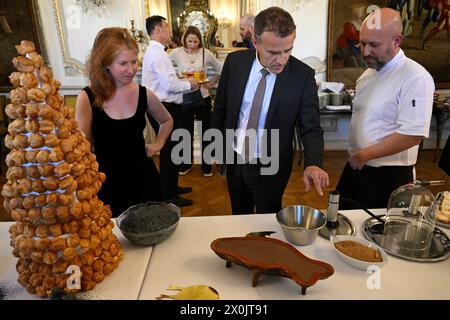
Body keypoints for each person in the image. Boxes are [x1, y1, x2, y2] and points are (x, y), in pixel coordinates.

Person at [212, 7, 329, 215]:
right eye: (274, 52)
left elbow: (310, 128)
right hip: (235, 158)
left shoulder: (302, 76)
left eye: (288, 50)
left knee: (267, 221)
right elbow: (221, 108)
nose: (282, 59)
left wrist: (313, 164)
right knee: (239, 215)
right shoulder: (235, 63)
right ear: (255, 42)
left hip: (271, 165)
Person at [336, 8, 435, 210]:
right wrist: (359, 157)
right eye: (362, 43)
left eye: (373, 45)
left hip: (388, 176)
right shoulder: (368, 74)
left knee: (377, 235)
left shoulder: (415, 77)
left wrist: (364, 155)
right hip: (357, 166)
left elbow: (412, 135)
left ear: (397, 41)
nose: (365, 51)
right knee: (341, 223)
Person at [75, 27, 173, 217]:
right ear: (105, 64)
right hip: (106, 183)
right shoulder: (87, 97)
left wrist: (158, 144)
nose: (132, 69)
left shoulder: (143, 93)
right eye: (123, 63)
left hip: (144, 179)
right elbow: (82, 149)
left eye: (134, 62)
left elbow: (167, 120)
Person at [142, 15, 199, 207]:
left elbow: (166, 81)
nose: (169, 30)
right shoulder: (157, 53)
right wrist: (190, 84)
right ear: (158, 30)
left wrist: (181, 81)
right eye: (166, 27)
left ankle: (172, 187)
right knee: (169, 151)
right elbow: (169, 84)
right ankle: (168, 195)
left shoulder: (158, 52)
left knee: (173, 150)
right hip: (163, 108)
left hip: (164, 107)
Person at [169, 26, 223, 177]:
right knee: (185, 133)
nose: (192, 44)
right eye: (190, 41)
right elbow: (165, 69)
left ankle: (206, 166)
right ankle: (185, 164)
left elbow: (220, 69)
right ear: (184, 40)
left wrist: (211, 82)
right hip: (184, 98)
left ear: (200, 41)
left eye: (195, 41)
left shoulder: (207, 53)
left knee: (206, 132)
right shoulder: (176, 53)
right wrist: (177, 79)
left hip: (203, 97)